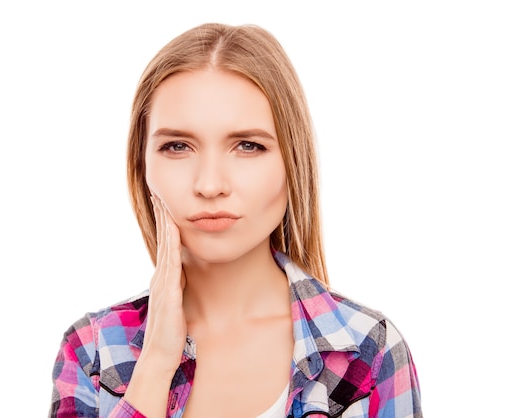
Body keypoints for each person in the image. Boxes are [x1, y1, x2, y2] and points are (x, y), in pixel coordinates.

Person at [49, 22, 422, 418]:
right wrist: (156, 363)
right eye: (177, 146)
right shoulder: (92, 352)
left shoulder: (370, 352)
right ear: (142, 165)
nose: (210, 185)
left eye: (248, 145)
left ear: (291, 163)